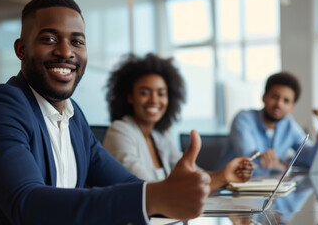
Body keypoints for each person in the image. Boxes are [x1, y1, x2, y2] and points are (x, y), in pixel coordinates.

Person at [0, 0, 213, 225]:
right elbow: (26, 203)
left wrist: (169, 192)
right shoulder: (1, 105)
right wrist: (153, 197)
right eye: (50, 39)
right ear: (21, 49)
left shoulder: (74, 117)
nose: (65, 51)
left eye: (77, 42)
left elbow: (128, 186)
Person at [103, 53, 253, 192]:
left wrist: (228, 174)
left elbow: (193, 173)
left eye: (161, 93)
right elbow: (147, 190)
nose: (154, 100)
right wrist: (222, 177)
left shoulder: (160, 136)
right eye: (145, 93)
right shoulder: (119, 131)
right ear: (129, 97)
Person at [228, 71, 318, 169]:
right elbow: (249, 162)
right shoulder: (243, 119)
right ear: (264, 97)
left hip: (267, 184)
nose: (279, 104)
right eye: (275, 97)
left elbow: (311, 160)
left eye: (286, 101)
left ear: (292, 107)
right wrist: (281, 165)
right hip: (230, 184)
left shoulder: (289, 125)